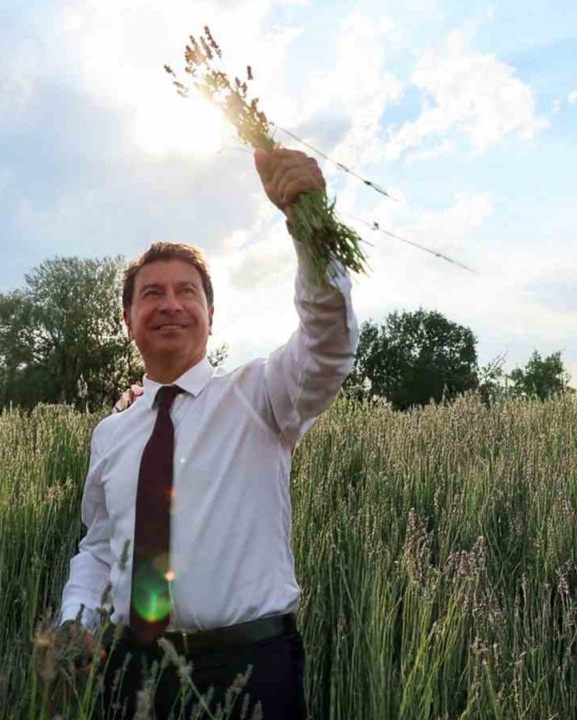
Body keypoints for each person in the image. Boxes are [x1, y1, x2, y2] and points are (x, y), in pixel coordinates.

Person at [55, 148, 358, 719]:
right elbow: (99, 545)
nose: (170, 305)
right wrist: (76, 618)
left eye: (187, 291)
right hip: (132, 675)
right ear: (128, 320)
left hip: (247, 672)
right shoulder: (111, 433)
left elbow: (329, 343)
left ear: (210, 316)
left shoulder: (261, 396)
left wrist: (309, 227)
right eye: (152, 293)